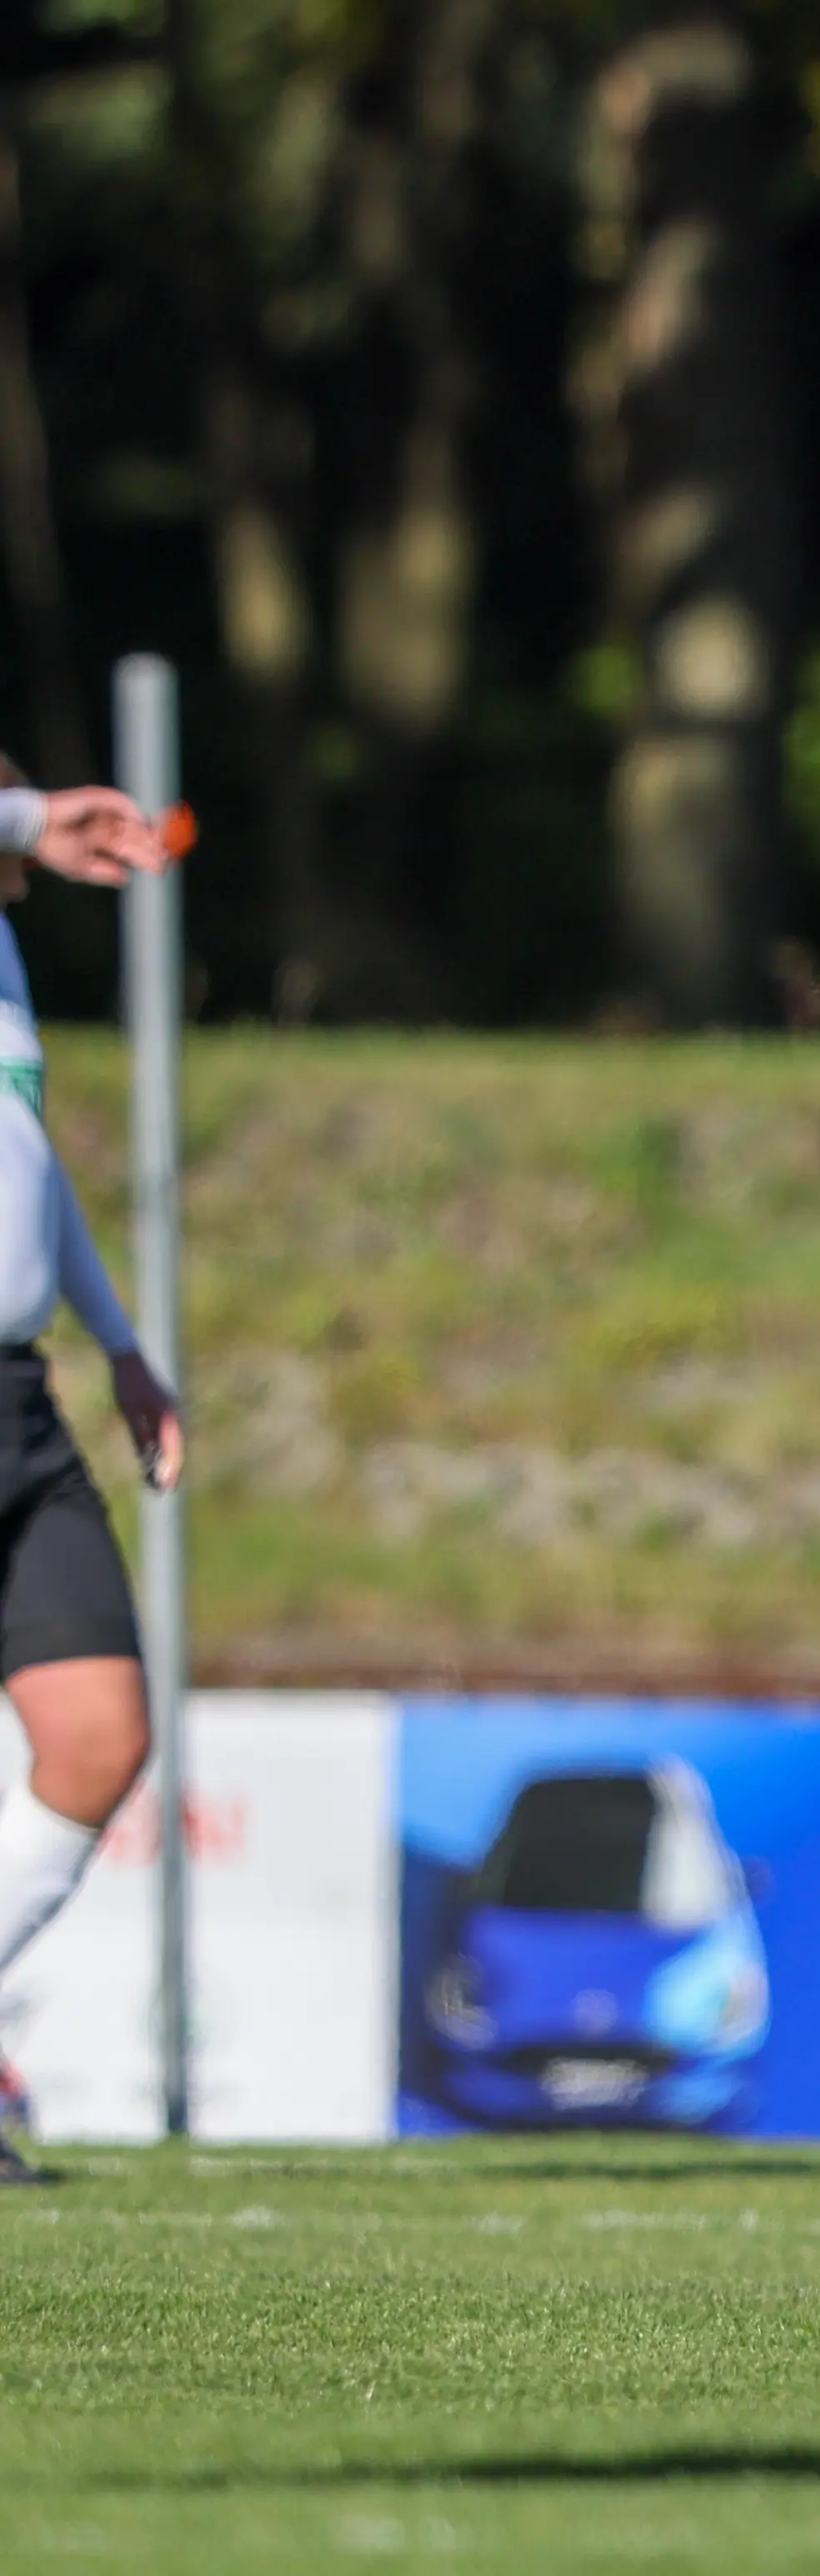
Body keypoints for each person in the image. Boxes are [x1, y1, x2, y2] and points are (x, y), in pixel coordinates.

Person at [0, 779, 185, 2184]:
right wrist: (34, 816)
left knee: (98, 1737)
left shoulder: (4, 967)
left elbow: (32, 1175)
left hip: (23, 1398)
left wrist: (122, 1347)